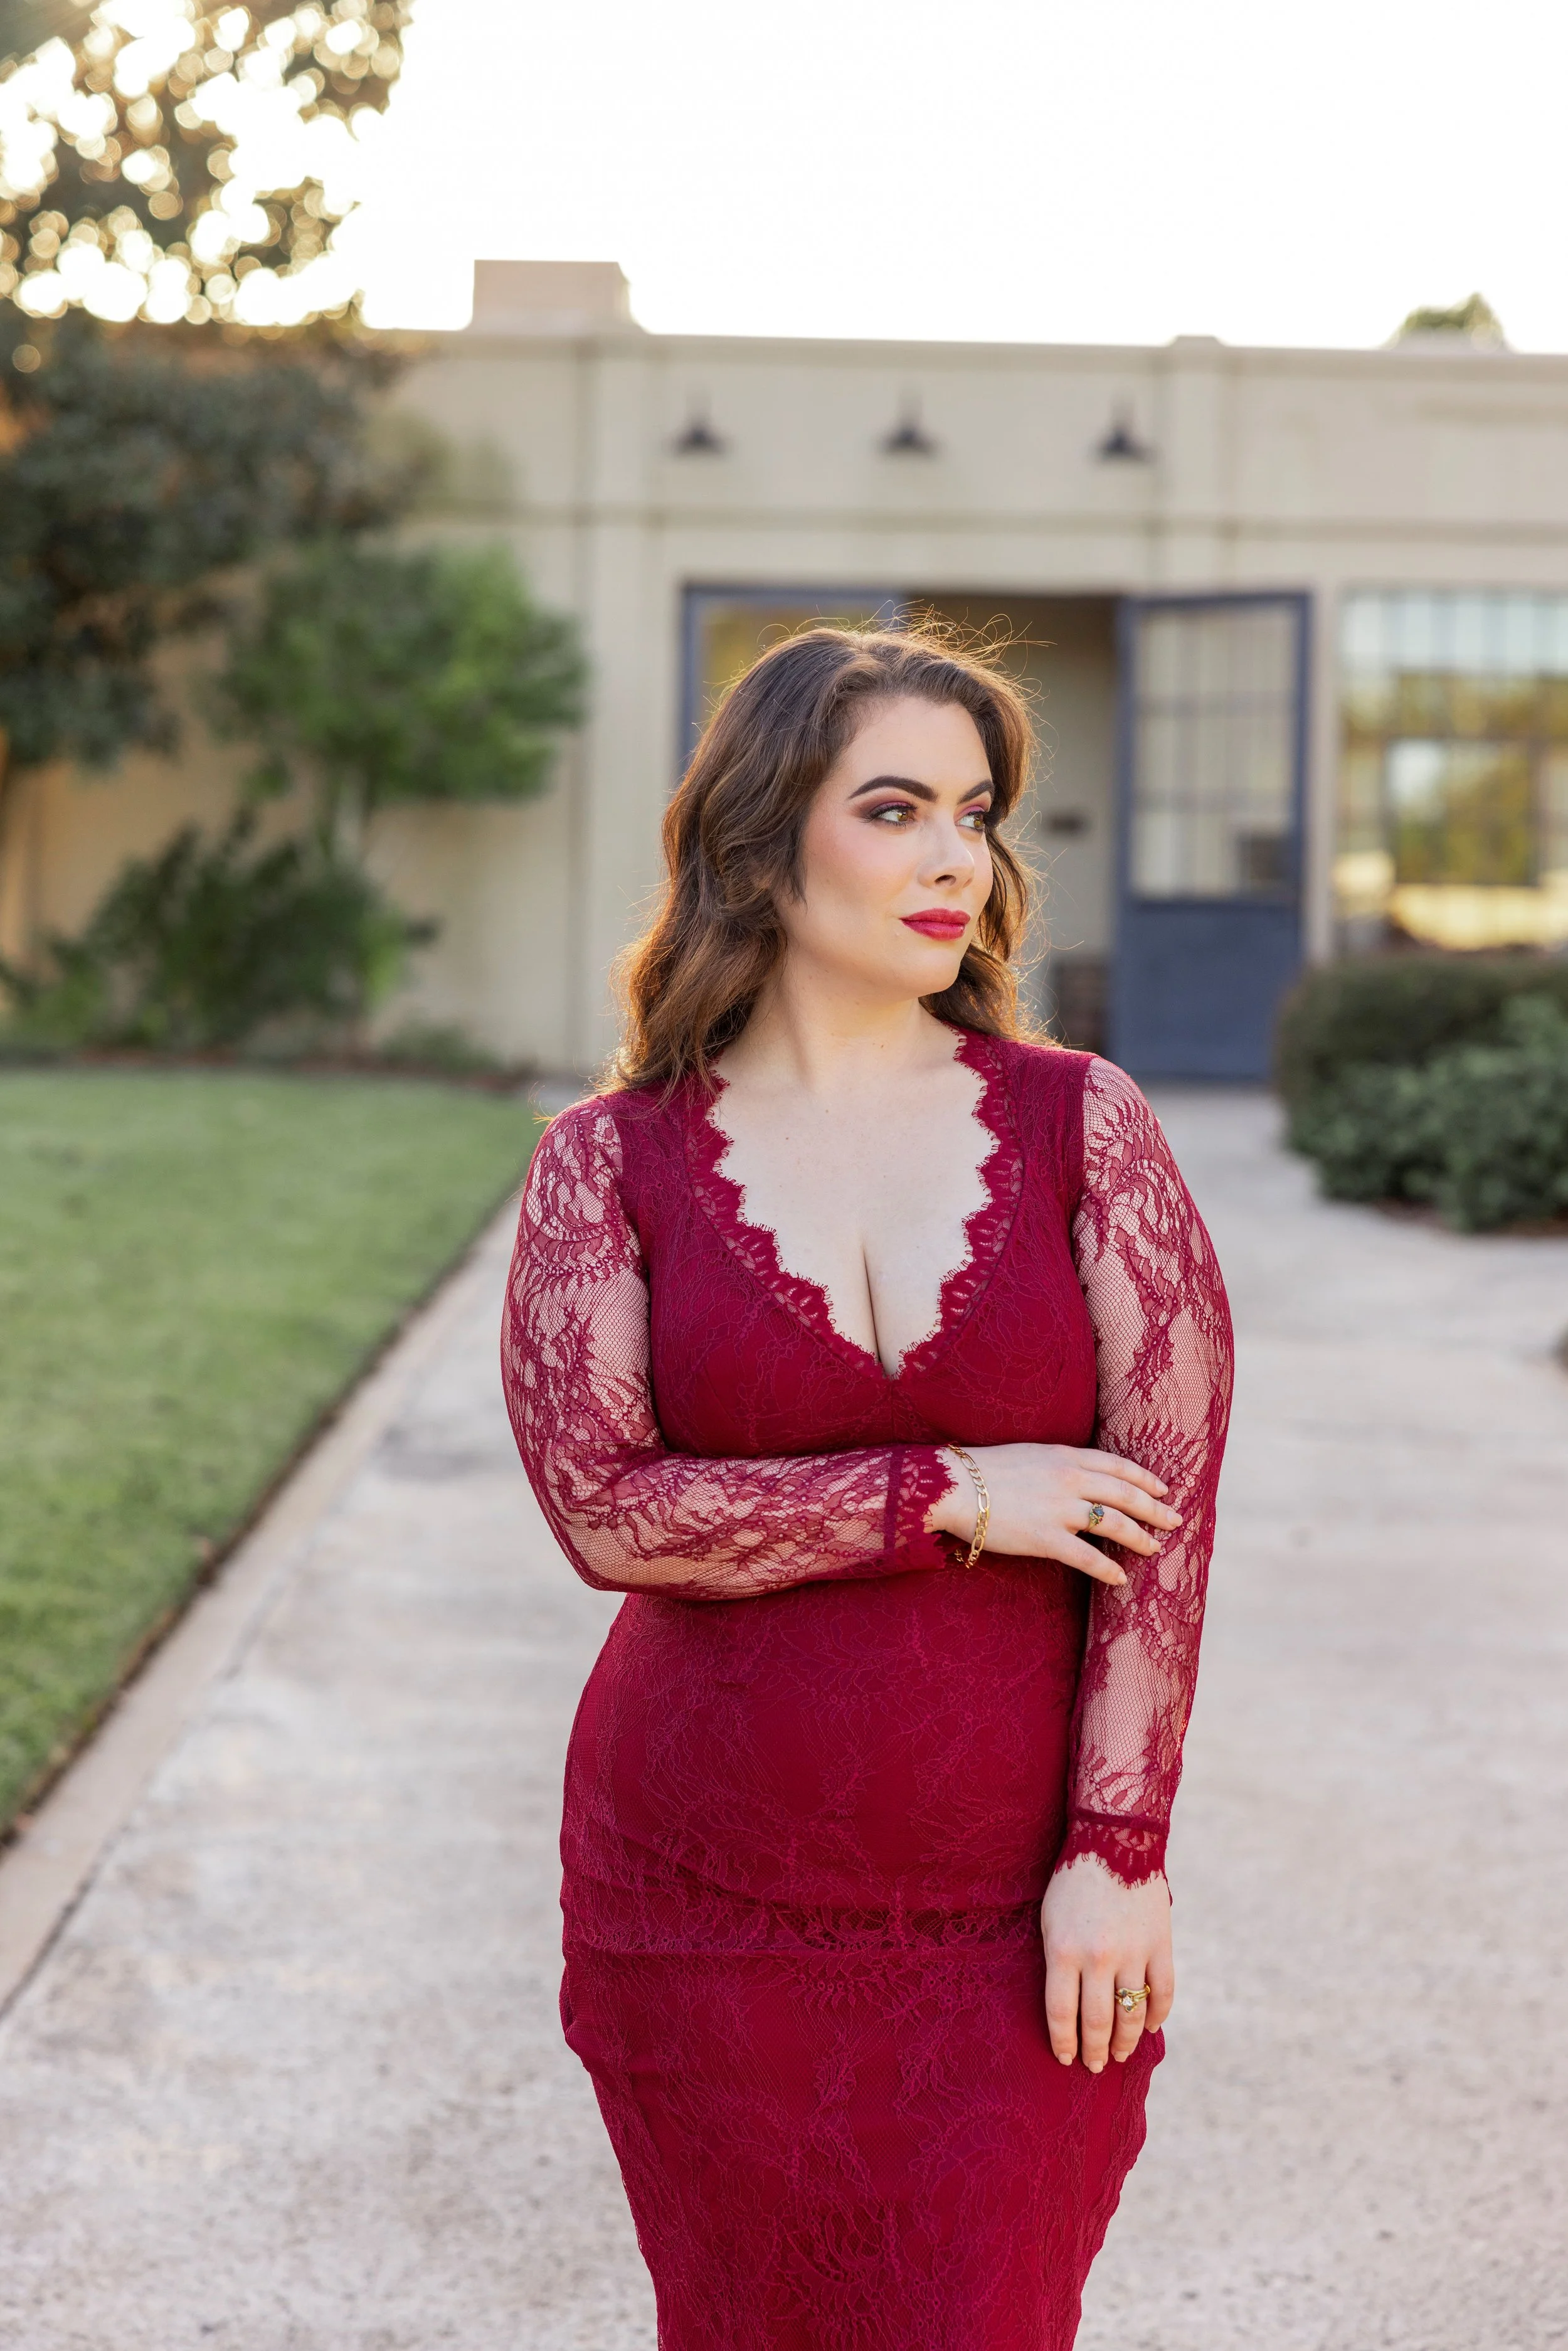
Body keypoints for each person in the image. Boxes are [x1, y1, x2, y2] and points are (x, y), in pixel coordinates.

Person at [502, 623, 1234, 2351]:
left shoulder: (1082, 1125)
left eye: (974, 816)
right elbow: (606, 1509)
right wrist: (949, 1492)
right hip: (701, 1899)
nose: (950, 858)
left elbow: (1166, 1520)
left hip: (1010, 1897)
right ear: (761, 843)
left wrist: (1117, 1846)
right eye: (894, 809)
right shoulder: (606, 1164)